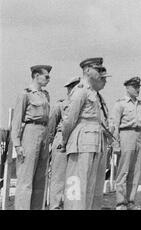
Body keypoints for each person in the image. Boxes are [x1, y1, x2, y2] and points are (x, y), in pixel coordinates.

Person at [62, 57, 111, 210]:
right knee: (77, 188)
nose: (101, 73)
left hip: (95, 143)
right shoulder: (80, 91)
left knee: (92, 189)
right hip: (81, 142)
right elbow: (69, 120)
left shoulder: (95, 94)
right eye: (98, 70)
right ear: (87, 70)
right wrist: (64, 142)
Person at [11, 65, 52, 210]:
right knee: (25, 179)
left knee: (40, 179)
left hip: (44, 133)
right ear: (36, 76)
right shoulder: (25, 94)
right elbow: (17, 120)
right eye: (46, 76)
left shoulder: (45, 95)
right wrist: (17, 144)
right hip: (30, 131)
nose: (49, 79)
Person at [112, 76, 141, 210]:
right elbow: (114, 126)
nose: (138, 89)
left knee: (136, 172)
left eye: (139, 87)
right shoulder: (120, 104)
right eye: (135, 87)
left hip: (139, 136)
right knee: (123, 171)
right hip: (125, 135)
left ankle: (131, 201)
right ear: (127, 88)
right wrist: (115, 144)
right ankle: (121, 202)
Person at [47, 76, 80, 210]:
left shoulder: (84, 105)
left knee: (75, 177)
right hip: (61, 140)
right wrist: (51, 145)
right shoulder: (61, 105)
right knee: (58, 177)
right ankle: (55, 206)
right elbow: (51, 126)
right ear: (70, 89)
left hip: (78, 140)